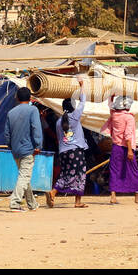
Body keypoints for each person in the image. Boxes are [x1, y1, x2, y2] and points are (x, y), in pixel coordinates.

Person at [47, 78, 88, 209]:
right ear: (72, 107)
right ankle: (68, 198)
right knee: (80, 174)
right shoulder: (75, 116)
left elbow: (59, 138)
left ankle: (56, 193)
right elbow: (83, 100)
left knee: (66, 173)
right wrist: (82, 85)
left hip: (63, 152)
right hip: (75, 151)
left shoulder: (59, 121)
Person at [100, 96, 138, 206]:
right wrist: (130, 150)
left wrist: (111, 97)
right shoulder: (129, 118)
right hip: (126, 148)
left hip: (116, 147)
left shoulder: (114, 115)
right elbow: (128, 135)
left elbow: (110, 107)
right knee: (134, 171)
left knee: (115, 171)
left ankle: (113, 197)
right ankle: (137, 196)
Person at [4, 85, 43, 211]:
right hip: (28, 149)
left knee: (24, 176)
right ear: (30, 98)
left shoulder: (11, 112)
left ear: (17, 98)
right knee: (24, 177)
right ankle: (15, 203)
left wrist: (11, 146)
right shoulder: (33, 111)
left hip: (16, 150)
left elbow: (7, 133)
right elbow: (36, 128)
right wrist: (38, 145)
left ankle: (32, 204)